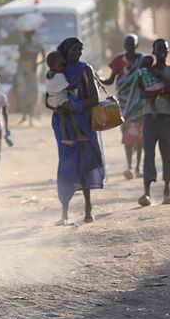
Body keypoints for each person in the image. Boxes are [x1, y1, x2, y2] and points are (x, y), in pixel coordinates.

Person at [48, 38, 104, 225]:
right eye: (73, 50)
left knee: (85, 164)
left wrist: (74, 106)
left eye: (80, 50)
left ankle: (88, 209)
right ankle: (64, 212)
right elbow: (47, 100)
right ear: (65, 50)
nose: (77, 53)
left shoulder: (84, 69)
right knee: (66, 165)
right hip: (64, 126)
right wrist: (59, 107)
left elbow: (94, 99)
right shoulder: (56, 70)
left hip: (84, 123)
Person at [138, 39, 170, 207]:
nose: (162, 52)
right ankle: (147, 192)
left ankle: (167, 189)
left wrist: (160, 77)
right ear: (153, 51)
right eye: (159, 49)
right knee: (148, 154)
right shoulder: (145, 71)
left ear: (168, 50)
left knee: (167, 154)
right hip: (150, 117)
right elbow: (141, 94)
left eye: (164, 48)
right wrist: (163, 89)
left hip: (166, 116)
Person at [101, 34, 147, 179]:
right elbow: (109, 80)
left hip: (139, 102)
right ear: (124, 46)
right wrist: (96, 78)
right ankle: (129, 167)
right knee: (128, 135)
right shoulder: (118, 60)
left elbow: (147, 78)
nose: (130, 47)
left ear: (137, 45)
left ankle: (138, 167)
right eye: (127, 44)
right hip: (125, 103)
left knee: (140, 137)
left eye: (132, 44)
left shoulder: (142, 60)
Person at [45, 51, 88, 145]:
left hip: (52, 100)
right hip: (61, 100)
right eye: (60, 65)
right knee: (73, 114)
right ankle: (78, 134)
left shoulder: (49, 74)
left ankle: (64, 138)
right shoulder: (59, 76)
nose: (62, 68)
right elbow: (69, 87)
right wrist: (78, 80)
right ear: (53, 65)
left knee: (62, 119)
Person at [14, 30, 44, 125]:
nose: (26, 35)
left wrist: (36, 64)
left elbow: (43, 57)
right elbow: (20, 58)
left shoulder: (38, 44)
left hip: (33, 71)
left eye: (28, 34)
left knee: (33, 93)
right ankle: (24, 116)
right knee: (22, 93)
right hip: (23, 71)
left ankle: (31, 117)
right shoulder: (22, 45)